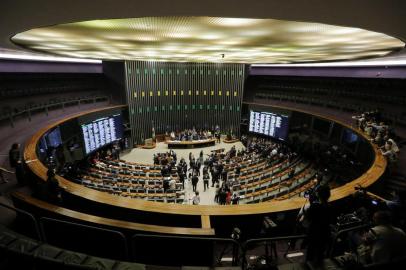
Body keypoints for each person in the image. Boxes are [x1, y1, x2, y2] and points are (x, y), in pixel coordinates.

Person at [300, 184, 331, 266]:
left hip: (314, 234)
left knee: (310, 256)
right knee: (320, 255)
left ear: (318, 194)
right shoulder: (330, 206)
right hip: (325, 234)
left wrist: (311, 203)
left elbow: (307, 219)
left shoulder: (315, 207)